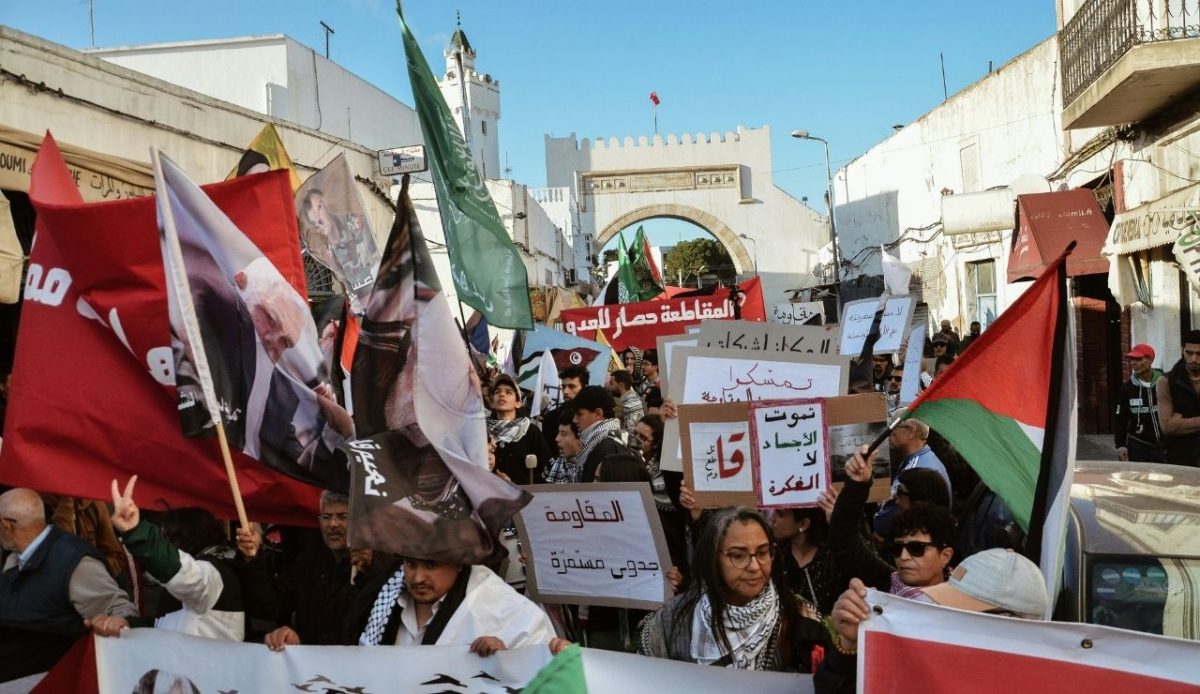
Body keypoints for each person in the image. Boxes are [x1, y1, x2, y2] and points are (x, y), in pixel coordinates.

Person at [817, 548, 1047, 693]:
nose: (946, 617)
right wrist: (850, 646)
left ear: (1012, 623)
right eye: (946, 606)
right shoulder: (937, 662)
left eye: (963, 613)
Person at [638, 507, 827, 672]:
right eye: (738, 556)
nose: (754, 566)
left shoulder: (802, 619)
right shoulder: (673, 619)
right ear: (713, 558)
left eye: (762, 552)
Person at [0, 487, 138, 682]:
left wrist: (117, 622)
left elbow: (121, 611)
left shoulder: (74, 562)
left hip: (51, 682)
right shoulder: (14, 559)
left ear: (6, 525)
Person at [105, 477, 251, 640]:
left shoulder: (213, 576)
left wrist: (137, 533)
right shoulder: (190, 584)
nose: (166, 545)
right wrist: (128, 624)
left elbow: (187, 575)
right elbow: (170, 626)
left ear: (184, 537)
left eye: (167, 538)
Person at [332, 556, 562, 654]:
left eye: (431, 565)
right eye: (411, 564)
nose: (418, 578)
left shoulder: (501, 606)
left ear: (459, 562)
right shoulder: (384, 594)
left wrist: (507, 663)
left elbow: (543, 676)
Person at [830, 449, 955, 597]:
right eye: (896, 548)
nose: (903, 557)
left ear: (945, 556)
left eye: (916, 548)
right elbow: (845, 541)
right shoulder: (887, 583)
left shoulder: (967, 604)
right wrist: (857, 485)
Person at [260, 492, 375, 648]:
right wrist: (252, 558)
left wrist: (369, 573)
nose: (333, 524)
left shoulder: (373, 568)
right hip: (308, 660)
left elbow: (357, 634)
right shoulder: (306, 564)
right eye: (326, 517)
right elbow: (269, 606)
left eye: (343, 516)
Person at [873, 418, 951, 535]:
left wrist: (880, 527)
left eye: (894, 426)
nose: (889, 432)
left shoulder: (916, 469)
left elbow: (890, 517)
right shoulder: (922, 459)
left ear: (910, 432)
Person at [770, 507, 845, 617]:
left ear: (803, 524)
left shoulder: (832, 559)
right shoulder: (774, 554)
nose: (772, 518)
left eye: (781, 514)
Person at [487, 374, 552, 484]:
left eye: (508, 392)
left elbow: (547, 470)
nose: (502, 394)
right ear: (492, 403)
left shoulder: (531, 432)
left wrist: (515, 483)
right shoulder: (482, 431)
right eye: (497, 392)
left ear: (518, 403)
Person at [1155, 330, 1200, 467]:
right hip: (1181, 459)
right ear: (1182, 350)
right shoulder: (1167, 381)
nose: (1194, 359)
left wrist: (1182, 422)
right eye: (1189, 353)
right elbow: (1167, 426)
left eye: (1199, 354)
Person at [1114, 343, 1165, 463]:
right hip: (1138, 445)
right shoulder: (1127, 388)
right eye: (1131, 360)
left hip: (1165, 445)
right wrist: (1121, 445)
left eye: (1138, 359)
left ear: (1150, 360)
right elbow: (1120, 419)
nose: (1133, 363)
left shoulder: (1165, 383)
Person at [570, 385, 632, 483]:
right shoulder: (612, 441)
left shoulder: (606, 448)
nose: (574, 420)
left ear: (598, 414)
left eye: (579, 414)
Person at [539, 365, 588, 452]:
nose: (565, 391)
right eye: (563, 386)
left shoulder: (591, 418)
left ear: (584, 388)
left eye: (571, 386)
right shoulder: (551, 418)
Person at [543, 413, 584, 484]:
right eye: (558, 433)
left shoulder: (590, 466)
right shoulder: (551, 465)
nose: (557, 439)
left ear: (580, 438)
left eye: (563, 434)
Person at [608, 369, 645, 434]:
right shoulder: (633, 396)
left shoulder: (627, 406)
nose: (608, 386)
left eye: (611, 383)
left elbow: (629, 432)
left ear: (621, 386)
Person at [641, 350, 664, 414]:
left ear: (655, 366)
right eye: (642, 364)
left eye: (646, 364)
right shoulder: (641, 385)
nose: (642, 367)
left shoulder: (662, 384)